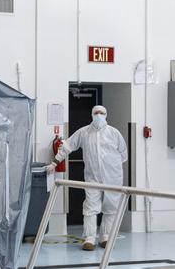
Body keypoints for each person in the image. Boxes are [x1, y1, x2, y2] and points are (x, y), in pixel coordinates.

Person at [48, 106, 128, 251]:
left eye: (102, 113)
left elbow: (123, 154)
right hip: (92, 177)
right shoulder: (84, 132)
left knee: (111, 208)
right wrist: (55, 162)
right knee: (91, 207)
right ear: (91, 114)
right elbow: (67, 146)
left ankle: (106, 238)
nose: (99, 115)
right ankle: (89, 239)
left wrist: (111, 166)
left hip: (113, 177)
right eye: (96, 113)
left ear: (106, 115)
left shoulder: (114, 133)